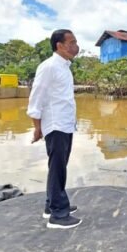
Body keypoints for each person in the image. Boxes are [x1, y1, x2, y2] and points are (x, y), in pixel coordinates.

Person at [27, 29, 82, 229]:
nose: (76, 46)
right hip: (56, 124)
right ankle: (58, 216)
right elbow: (36, 98)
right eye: (72, 42)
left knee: (58, 167)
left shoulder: (64, 67)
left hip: (66, 124)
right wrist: (37, 128)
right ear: (59, 45)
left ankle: (51, 206)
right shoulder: (49, 66)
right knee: (58, 168)